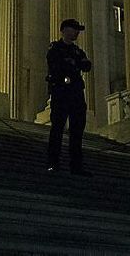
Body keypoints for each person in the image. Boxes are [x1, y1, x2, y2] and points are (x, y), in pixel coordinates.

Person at [46, 18, 92, 175]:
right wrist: (73, 65)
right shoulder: (56, 48)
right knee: (57, 128)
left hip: (76, 94)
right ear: (65, 30)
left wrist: (73, 64)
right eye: (75, 29)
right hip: (61, 92)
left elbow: (87, 66)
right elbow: (56, 66)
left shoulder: (77, 51)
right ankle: (53, 162)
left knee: (77, 131)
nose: (77, 33)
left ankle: (76, 166)